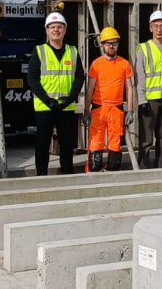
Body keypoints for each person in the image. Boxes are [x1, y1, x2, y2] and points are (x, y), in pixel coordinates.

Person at [28, 12, 84, 176]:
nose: (56, 30)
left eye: (59, 27)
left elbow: (80, 77)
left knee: (67, 144)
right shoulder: (39, 51)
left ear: (65, 30)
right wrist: (47, 100)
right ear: (47, 31)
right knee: (42, 143)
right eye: (52, 27)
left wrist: (70, 98)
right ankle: (41, 176)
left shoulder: (73, 52)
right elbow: (32, 79)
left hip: (66, 106)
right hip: (44, 106)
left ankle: (67, 174)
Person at [84, 27, 135, 171]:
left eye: (114, 43)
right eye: (108, 43)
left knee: (115, 143)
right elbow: (90, 89)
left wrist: (130, 110)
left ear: (118, 44)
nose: (111, 46)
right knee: (95, 142)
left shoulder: (124, 64)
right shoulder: (96, 64)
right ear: (102, 45)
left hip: (116, 109)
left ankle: (112, 171)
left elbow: (129, 88)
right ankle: (94, 170)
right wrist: (86, 110)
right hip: (98, 109)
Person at [134, 10, 162, 168]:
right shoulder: (143, 48)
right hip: (150, 100)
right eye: (156, 26)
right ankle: (144, 171)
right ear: (150, 28)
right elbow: (139, 76)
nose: (159, 29)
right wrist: (142, 100)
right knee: (146, 139)